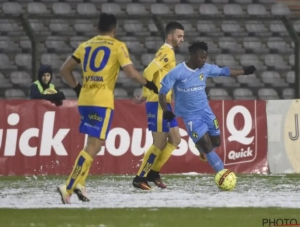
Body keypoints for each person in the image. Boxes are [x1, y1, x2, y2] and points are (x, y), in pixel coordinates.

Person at [57, 13, 158, 204]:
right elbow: (130, 72)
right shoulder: (118, 46)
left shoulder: (85, 45)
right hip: (102, 101)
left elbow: (64, 69)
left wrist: (78, 88)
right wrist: (149, 84)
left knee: (92, 144)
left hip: (85, 99)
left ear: (97, 28)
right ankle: (68, 186)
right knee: (95, 145)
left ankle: (80, 183)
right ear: (115, 29)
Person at [159, 41, 257, 175]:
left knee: (216, 142)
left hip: (206, 112)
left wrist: (244, 71)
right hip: (191, 116)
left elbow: (224, 71)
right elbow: (162, 93)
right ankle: (223, 174)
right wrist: (166, 111)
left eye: (205, 57)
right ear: (192, 55)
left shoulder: (205, 69)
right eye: (201, 57)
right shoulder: (178, 72)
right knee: (207, 146)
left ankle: (200, 148)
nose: (204, 60)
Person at [132, 22, 184, 190]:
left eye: (183, 36)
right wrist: (149, 93)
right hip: (158, 104)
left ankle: (153, 173)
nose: (182, 39)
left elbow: (156, 76)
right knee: (159, 143)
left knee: (175, 139)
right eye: (179, 36)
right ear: (170, 36)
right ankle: (140, 178)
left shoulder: (169, 52)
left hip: (165, 103)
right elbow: (148, 72)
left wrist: (144, 94)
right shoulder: (166, 52)